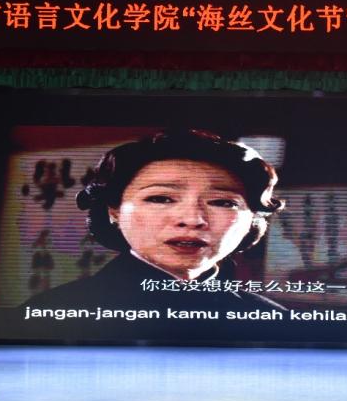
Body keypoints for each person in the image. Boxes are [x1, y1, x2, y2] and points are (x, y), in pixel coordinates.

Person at [24, 130, 287, 314]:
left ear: (252, 218)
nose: (192, 220)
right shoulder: (55, 310)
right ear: (114, 211)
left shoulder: (272, 318)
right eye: (160, 198)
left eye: (223, 202)